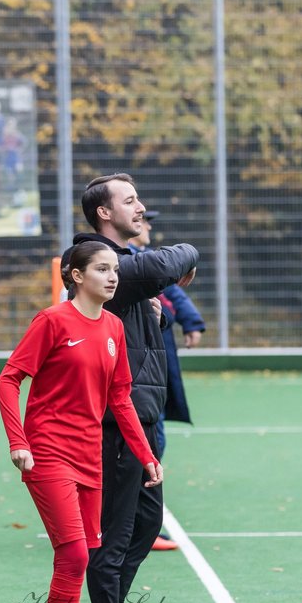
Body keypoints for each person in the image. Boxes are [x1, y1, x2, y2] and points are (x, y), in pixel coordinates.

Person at [0, 242, 163, 603]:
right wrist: (18, 441)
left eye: (115, 270)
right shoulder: (52, 321)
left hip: (91, 458)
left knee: (77, 557)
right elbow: (9, 379)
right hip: (48, 454)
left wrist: (145, 454)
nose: (112, 277)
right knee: (74, 556)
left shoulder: (112, 326)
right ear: (75, 275)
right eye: (102, 269)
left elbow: (121, 398)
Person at [71, 173, 198, 603]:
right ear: (104, 213)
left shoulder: (124, 275)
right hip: (113, 420)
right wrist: (184, 257)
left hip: (139, 419)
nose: (140, 207)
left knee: (145, 525)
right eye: (130, 200)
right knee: (117, 533)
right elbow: (171, 260)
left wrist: (154, 312)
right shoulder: (100, 262)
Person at [129, 211, 206, 551]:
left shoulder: (145, 261)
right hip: (139, 374)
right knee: (146, 444)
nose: (147, 225)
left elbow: (175, 295)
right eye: (143, 220)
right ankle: (138, 526)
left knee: (154, 441)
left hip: (156, 368)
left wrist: (191, 321)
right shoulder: (127, 266)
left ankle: (140, 523)